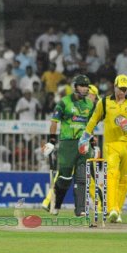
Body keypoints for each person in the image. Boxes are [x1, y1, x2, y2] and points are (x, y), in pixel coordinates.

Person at [79, 74, 127, 223]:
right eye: (119, 88)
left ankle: (117, 211)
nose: (122, 92)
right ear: (114, 86)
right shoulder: (104, 102)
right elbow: (94, 119)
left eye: (125, 89)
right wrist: (85, 136)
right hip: (111, 144)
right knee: (112, 174)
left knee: (124, 178)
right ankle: (111, 209)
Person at [42, 75, 95, 216]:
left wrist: (91, 139)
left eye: (86, 86)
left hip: (83, 144)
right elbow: (54, 122)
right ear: (75, 87)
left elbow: (90, 124)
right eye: (82, 86)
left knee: (82, 177)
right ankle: (55, 203)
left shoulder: (90, 104)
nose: (85, 89)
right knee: (65, 179)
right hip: (67, 144)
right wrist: (51, 141)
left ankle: (81, 209)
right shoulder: (64, 102)